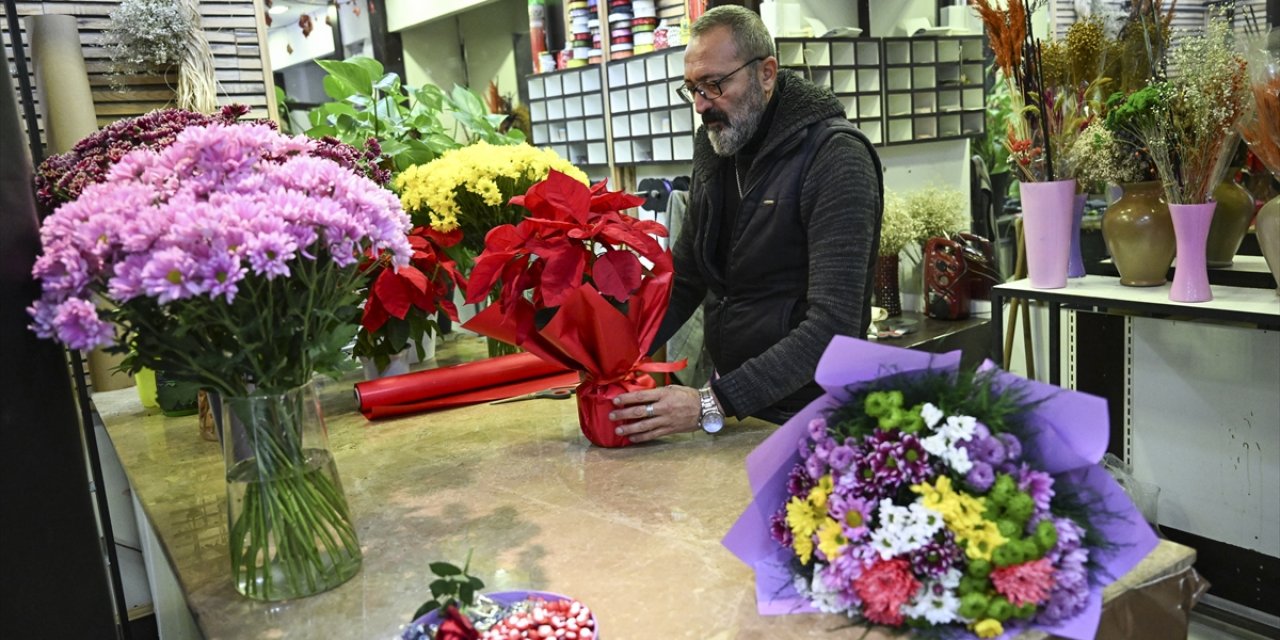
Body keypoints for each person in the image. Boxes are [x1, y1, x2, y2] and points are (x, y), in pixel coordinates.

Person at [609, 4, 883, 442]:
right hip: (740, 412)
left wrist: (710, 402)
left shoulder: (836, 158)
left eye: (714, 85)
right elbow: (686, 277)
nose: (701, 105)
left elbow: (833, 326)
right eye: (692, 88)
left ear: (767, 73)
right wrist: (612, 351)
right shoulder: (717, 147)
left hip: (815, 417)